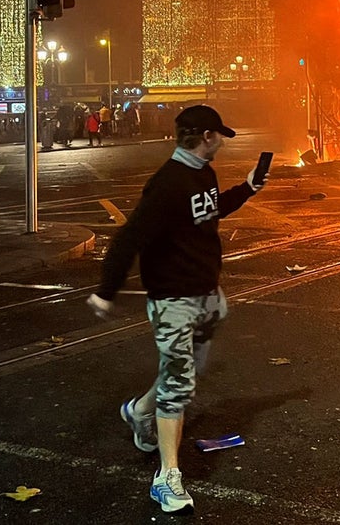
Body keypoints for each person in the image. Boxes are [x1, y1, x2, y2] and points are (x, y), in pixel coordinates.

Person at [86, 104, 267, 513]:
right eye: (219, 134)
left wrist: (249, 187)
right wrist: (106, 291)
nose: (222, 139)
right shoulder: (167, 184)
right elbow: (128, 238)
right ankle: (167, 478)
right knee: (180, 385)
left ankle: (138, 411)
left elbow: (210, 210)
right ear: (205, 137)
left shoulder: (203, 172)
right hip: (173, 300)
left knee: (180, 372)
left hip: (205, 296)